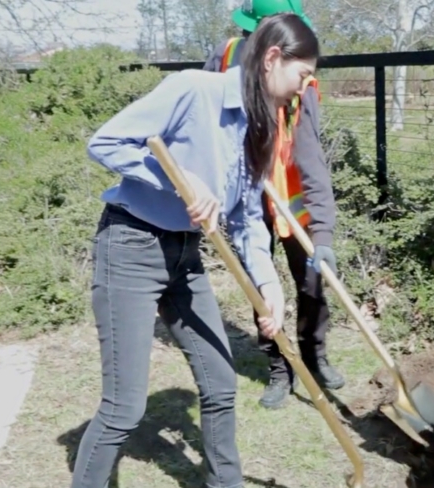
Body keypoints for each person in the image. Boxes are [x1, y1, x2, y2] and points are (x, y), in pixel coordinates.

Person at [72, 14, 318, 488]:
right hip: (130, 246)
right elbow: (104, 142)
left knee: (221, 385)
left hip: (185, 256)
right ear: (272, 59)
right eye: (302, 75)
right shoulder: (193, 90)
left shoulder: (260, 125)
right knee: (124, 408)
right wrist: (179, 181)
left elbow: (248, 220)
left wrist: (270, 288)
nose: (303, 87)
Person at [201, 0, 345, 411]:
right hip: (247, 197)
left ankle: (315, 356)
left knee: (313, 282)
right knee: (262, 290)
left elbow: (311, 156)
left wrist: (323, 234)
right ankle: (279, 367)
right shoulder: (226, 56)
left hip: (293, 198)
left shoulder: (302, 78)